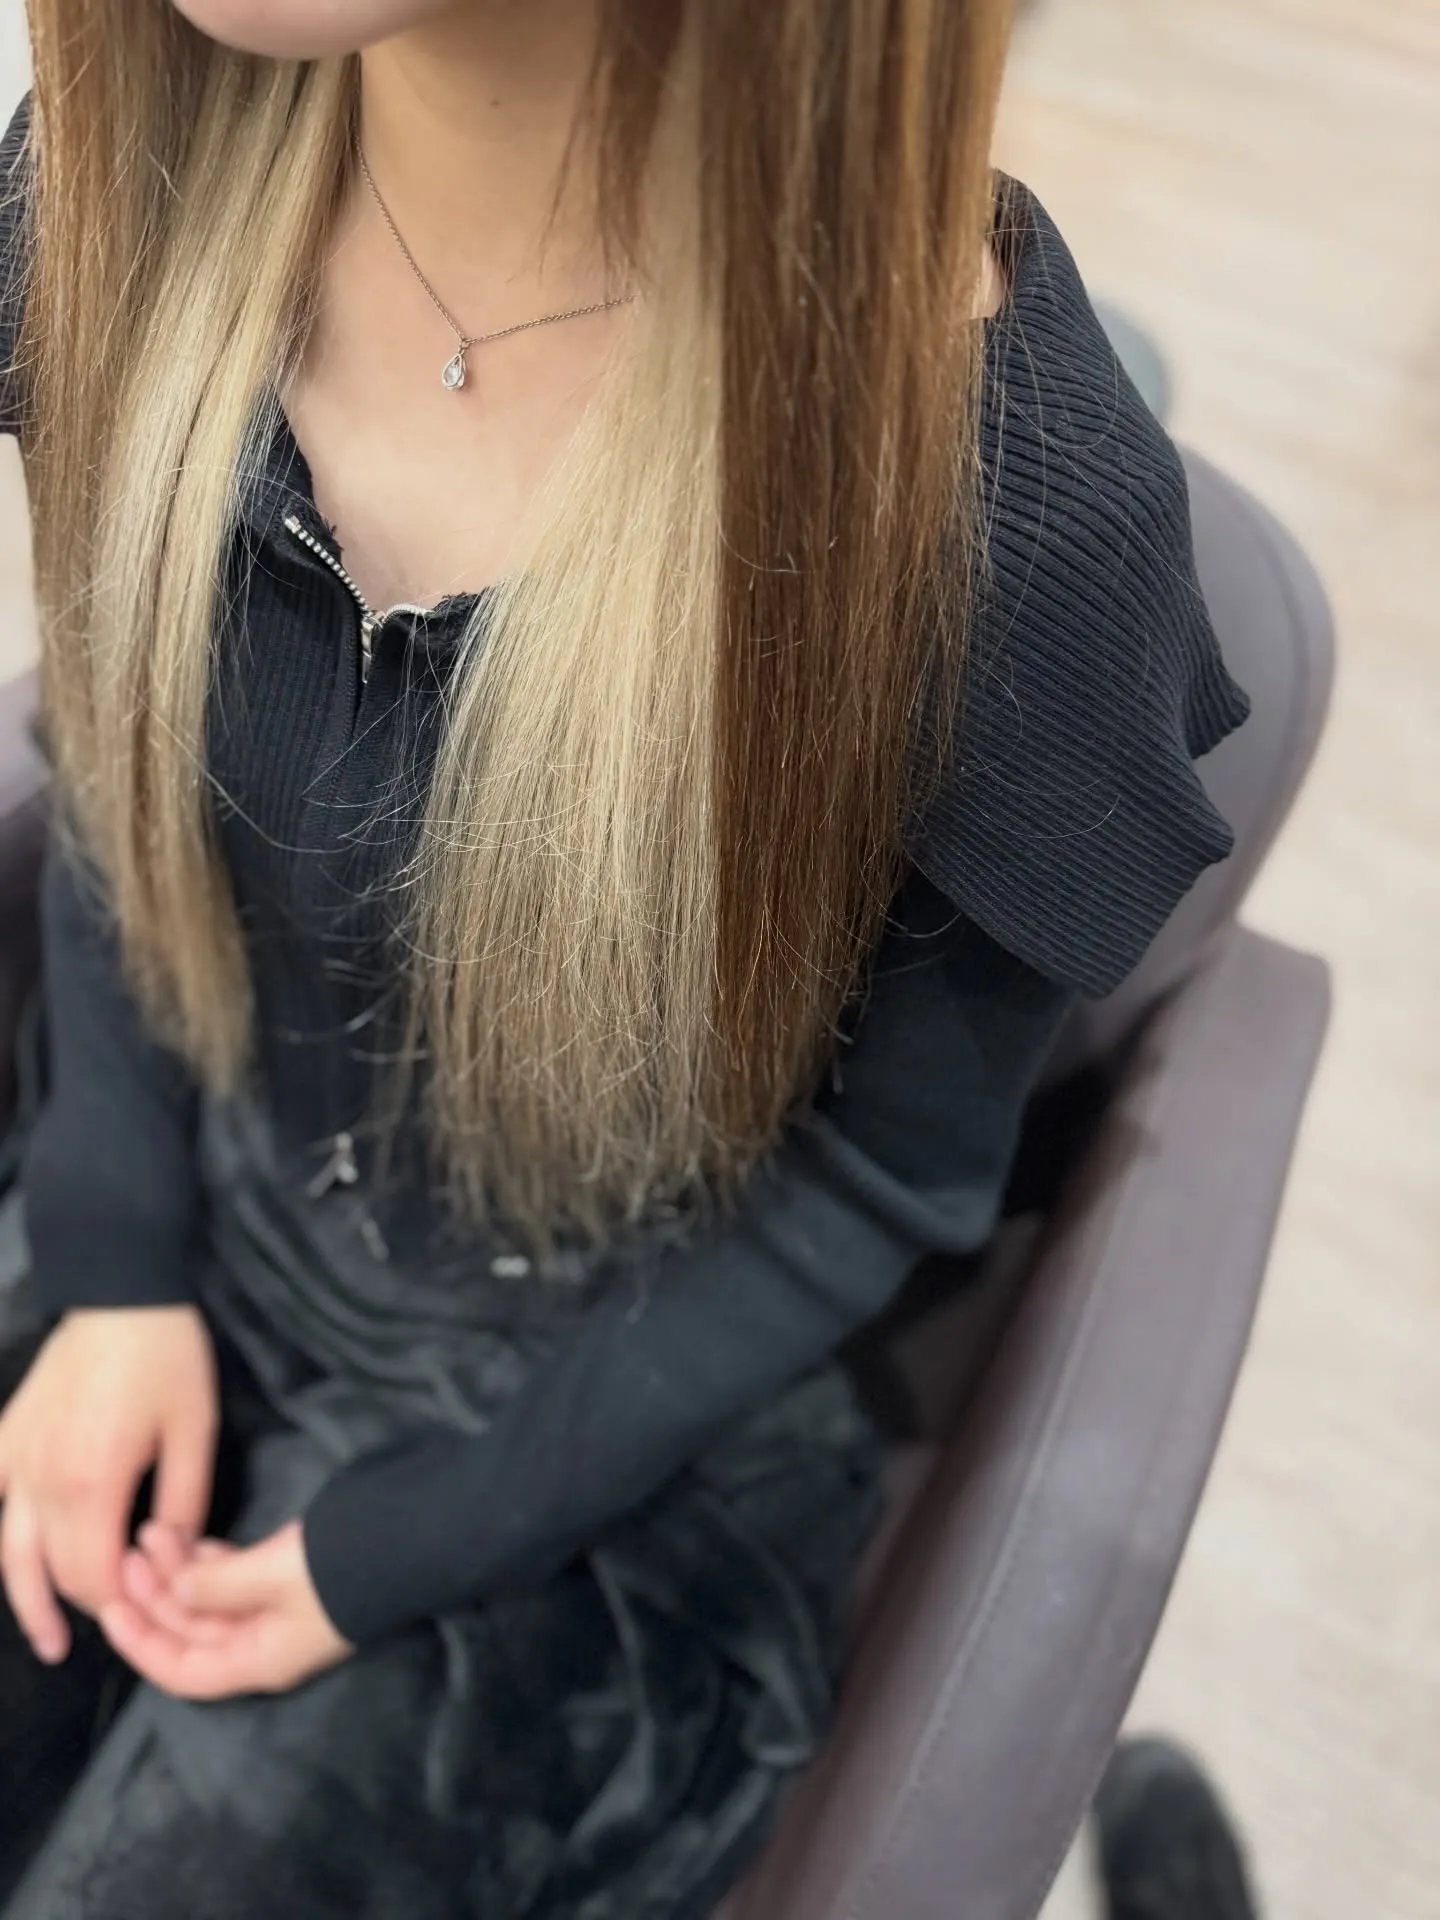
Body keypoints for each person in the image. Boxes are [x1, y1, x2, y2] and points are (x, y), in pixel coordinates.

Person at [0, 1, 1251, 1913]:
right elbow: (115, 766)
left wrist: (412, 1543)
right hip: (183, 1217)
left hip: (587, 1433)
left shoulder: (1013, 532)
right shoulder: (112, 200)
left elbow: (880, 1179)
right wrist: (111, 1260)